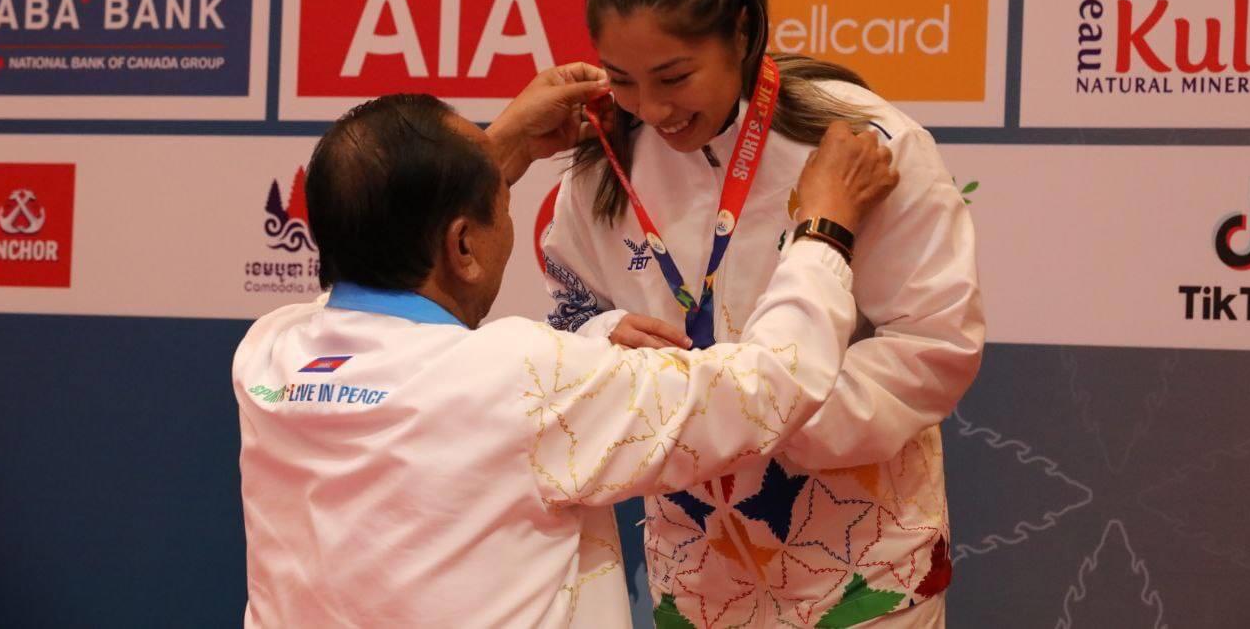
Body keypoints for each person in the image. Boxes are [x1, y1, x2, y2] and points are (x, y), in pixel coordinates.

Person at [232, 64, 899, 627]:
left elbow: (373, 251)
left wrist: (491, 153)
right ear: (463, 245)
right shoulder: (524, 378)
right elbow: (765, 387)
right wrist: (824, 229)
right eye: (500, 204)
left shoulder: (267, 352)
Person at [541, 0, 985, 627]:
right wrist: (604, 339)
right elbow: (567, 320)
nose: (652, 108)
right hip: (696, 576)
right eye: (622, 80)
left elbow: (935, 342)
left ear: (742, 33)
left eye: (674, 77)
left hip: (864, 570)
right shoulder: (603, 165)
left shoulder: (865, 143)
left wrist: (763, 416)